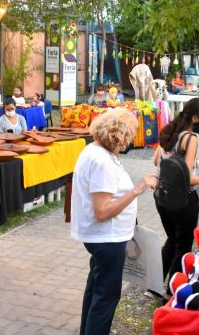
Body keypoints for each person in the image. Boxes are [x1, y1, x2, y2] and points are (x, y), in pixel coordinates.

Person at [71, 108, 157, 335]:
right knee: (106, 296)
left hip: (104, 237)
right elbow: (102, 211)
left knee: (96, 289)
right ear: (121, 133)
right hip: (106, 238)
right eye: (133, 132)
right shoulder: (102, 161)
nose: (133, 138)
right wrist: (137, 189)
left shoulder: (96, 151)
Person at [153, 98, 199, 289]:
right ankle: (173, 291)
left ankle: (153, 286)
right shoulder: (190, 138)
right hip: (183, 201)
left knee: (172, 239)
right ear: (195, 118)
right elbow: (187, 178)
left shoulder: (169, 131)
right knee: (183, 245)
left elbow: (157, 162)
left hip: (162, 197)